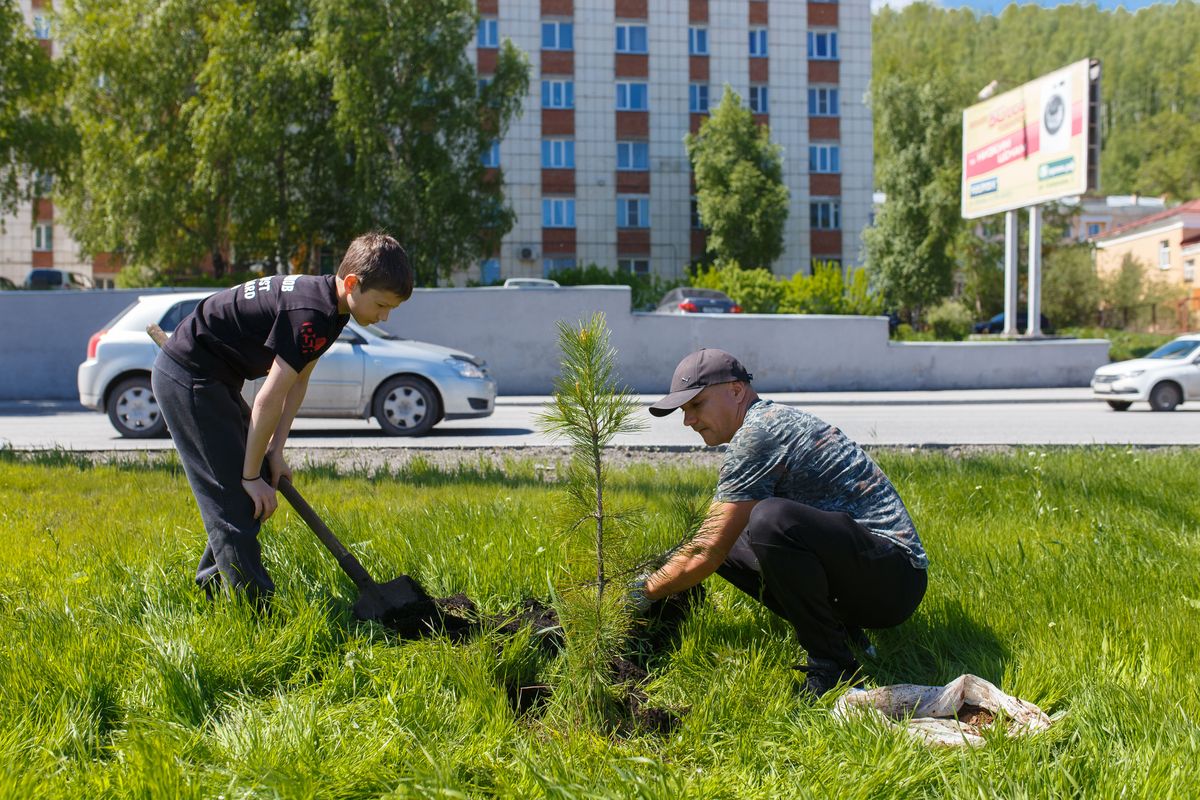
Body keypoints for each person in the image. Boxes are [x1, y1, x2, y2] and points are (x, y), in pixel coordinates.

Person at [632, 348, 929, 697]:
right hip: (868, 571)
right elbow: (714, 540)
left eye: (696, 405)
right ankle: (840, 633)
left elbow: (704, 552)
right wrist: (657, 577)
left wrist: (641, 592)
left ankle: (833, 667)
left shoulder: (760, 433)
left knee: (770, 521)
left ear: (736, 390)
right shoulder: (763, 423)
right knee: (734, 534)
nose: (688, 421)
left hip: (895, 578)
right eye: (684, 411)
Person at [152, 232, 413, 603]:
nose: (383, 315)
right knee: (235, 497)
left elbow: (298, 381)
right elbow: (267, 399)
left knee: (244, 495)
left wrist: (275, 451)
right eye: (381, 305)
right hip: (189, 378)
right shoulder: (310, 314)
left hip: (215, 378)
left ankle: (211, 592)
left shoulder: (332, 309)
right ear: (352, 283)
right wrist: (250, 475)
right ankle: (256, 614)